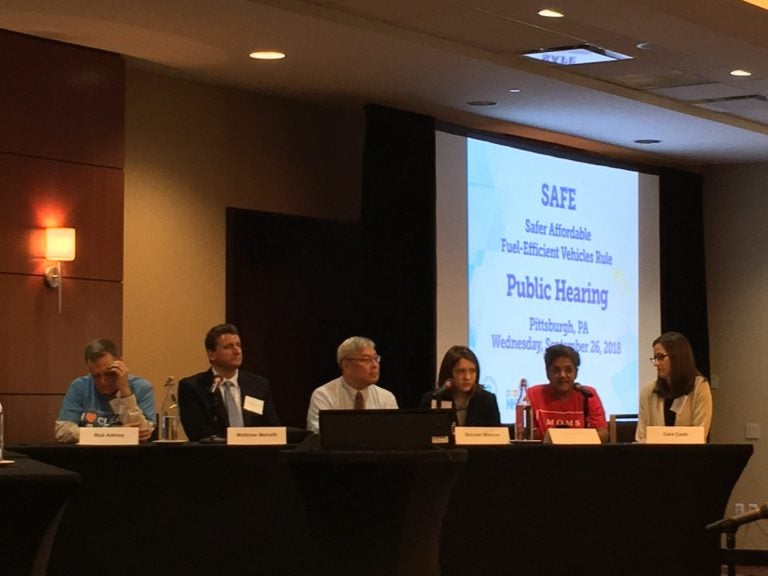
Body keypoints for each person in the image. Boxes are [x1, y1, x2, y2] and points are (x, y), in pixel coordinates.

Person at [178, 323, 280, 440]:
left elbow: (273, 429)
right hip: (215, 455)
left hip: (254, 454)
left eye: (238, 345)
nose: (237, 351)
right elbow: (196, 432)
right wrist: (236, 439)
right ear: (211, 354)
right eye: (228, 347)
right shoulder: (193, 387)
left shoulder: (258, 385)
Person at [54, 339, 156, 443]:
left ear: (121, 364)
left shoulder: (141, 387)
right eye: (96, 376)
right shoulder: (79, 387)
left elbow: (143, 433)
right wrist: (114, 434)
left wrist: (125, 391)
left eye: (109, 373)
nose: (103, 381)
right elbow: (62, 431)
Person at [306, 336, 398, 434]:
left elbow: (394, 434)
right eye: (366, 360)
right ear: (346, 365)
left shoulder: (386, 397)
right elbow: (318, 435)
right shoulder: (324, 395)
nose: (374, 365)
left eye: (376, 358)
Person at [636, 331, 712, 442]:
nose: (656, 363)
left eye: (660, 357)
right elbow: (641, 437)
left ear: (678, 357)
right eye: (654, 358)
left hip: (689, 457)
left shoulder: (700, 387)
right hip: (655, 457)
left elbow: (700, 434)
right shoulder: (648, 391)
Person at [527, 344, 609, 443]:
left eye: (568, 370)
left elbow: (603, 434)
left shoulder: (587, 394)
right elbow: (527, 434)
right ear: (547, 373)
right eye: (556, 370)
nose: (562, 375)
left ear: (576, 372)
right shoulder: (533, 394)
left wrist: (570, 440)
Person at [418, 345, 500, 426]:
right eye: (461, 371)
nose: (467, 377)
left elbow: (497, 436)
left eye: (472, 371)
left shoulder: (487, 400)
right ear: (449, 373)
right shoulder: (433, 399)